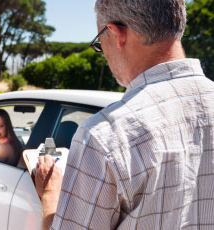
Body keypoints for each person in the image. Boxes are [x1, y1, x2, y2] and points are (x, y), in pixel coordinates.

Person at [35, 0, 214, 229]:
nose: (104, 54)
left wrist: (50, 195)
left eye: (99, 44)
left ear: (116, 33)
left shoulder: (104, 135)